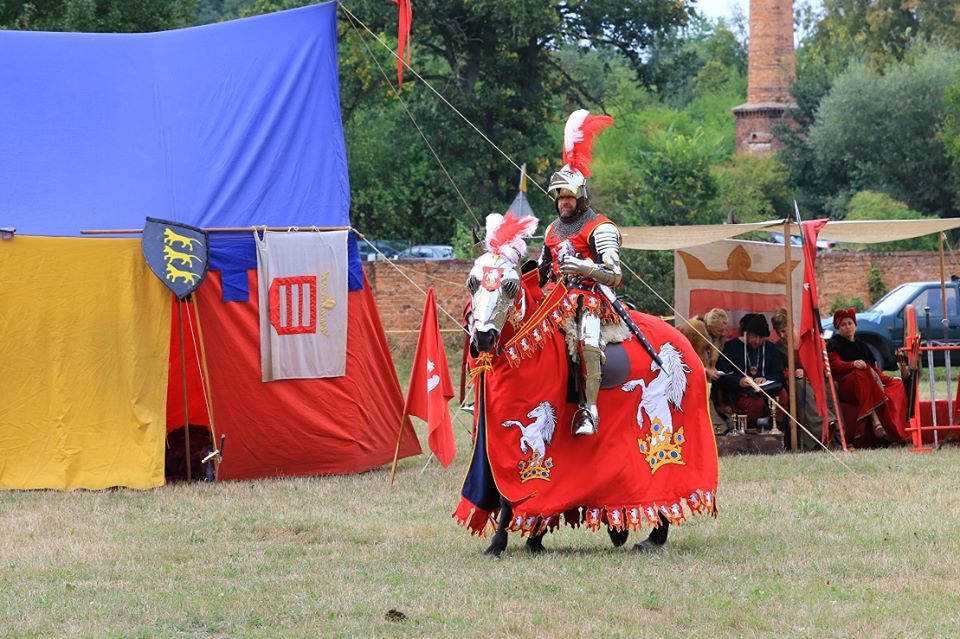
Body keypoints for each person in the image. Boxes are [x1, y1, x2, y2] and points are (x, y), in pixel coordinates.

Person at [537, 109, 621, 436]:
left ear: (581, 196)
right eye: (560, 197)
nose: (564, 202)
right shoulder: (552, 231)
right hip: (556, 299)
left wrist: (587, 267)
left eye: (569, 196)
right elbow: (543, 273)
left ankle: (590, 410)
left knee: (587, 341)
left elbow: (614, 273)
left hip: (592, 298)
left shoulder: (599, 226)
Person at [827, 307, 908, 444]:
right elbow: (835, 365)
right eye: (843, 325)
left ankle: (893, 431)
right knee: (861, 371)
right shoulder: (834, 344)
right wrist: (852, 364)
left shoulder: (862, 346)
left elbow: (874, 370)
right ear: (838, 328)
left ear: (855, 325)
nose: (847, 327)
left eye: (850, 323)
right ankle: (874, 419)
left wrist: (889, 379)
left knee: (897, 384)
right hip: (844, 386)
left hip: (865, 383)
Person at [770, 308, 837, 449]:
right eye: (778, 332)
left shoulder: (807, 340)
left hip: (812, 377)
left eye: (784, 331)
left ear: (792, 326)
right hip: (794, 382)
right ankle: (822, 424)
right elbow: (778, 372)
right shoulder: (777, 348)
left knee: (829, 385)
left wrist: (809, 372)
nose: (782, 335)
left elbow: (819, 363)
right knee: (801, 386)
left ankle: (834, 433)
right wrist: (792, 374)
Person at [717, 313, 787, 425]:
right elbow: (722, 376)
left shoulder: (770, 348)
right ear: (746, 334)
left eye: (761, 337)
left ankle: (778, 430)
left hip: (767, 391)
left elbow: (779, 375)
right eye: (754, 336)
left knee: (782, 395)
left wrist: (765, 378)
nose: (757, 341)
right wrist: (739, 381)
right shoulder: (731, 347)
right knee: (755, 403)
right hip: (743, 392)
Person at [679, 308, 729, 432]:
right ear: (711, 326)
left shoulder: (716, 337)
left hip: (704, 379)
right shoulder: (694, 330)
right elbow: (687, 358)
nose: (722, 333)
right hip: (688, 379)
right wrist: (706, 370)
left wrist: (712, 368)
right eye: (720, 330)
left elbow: (708, 359)